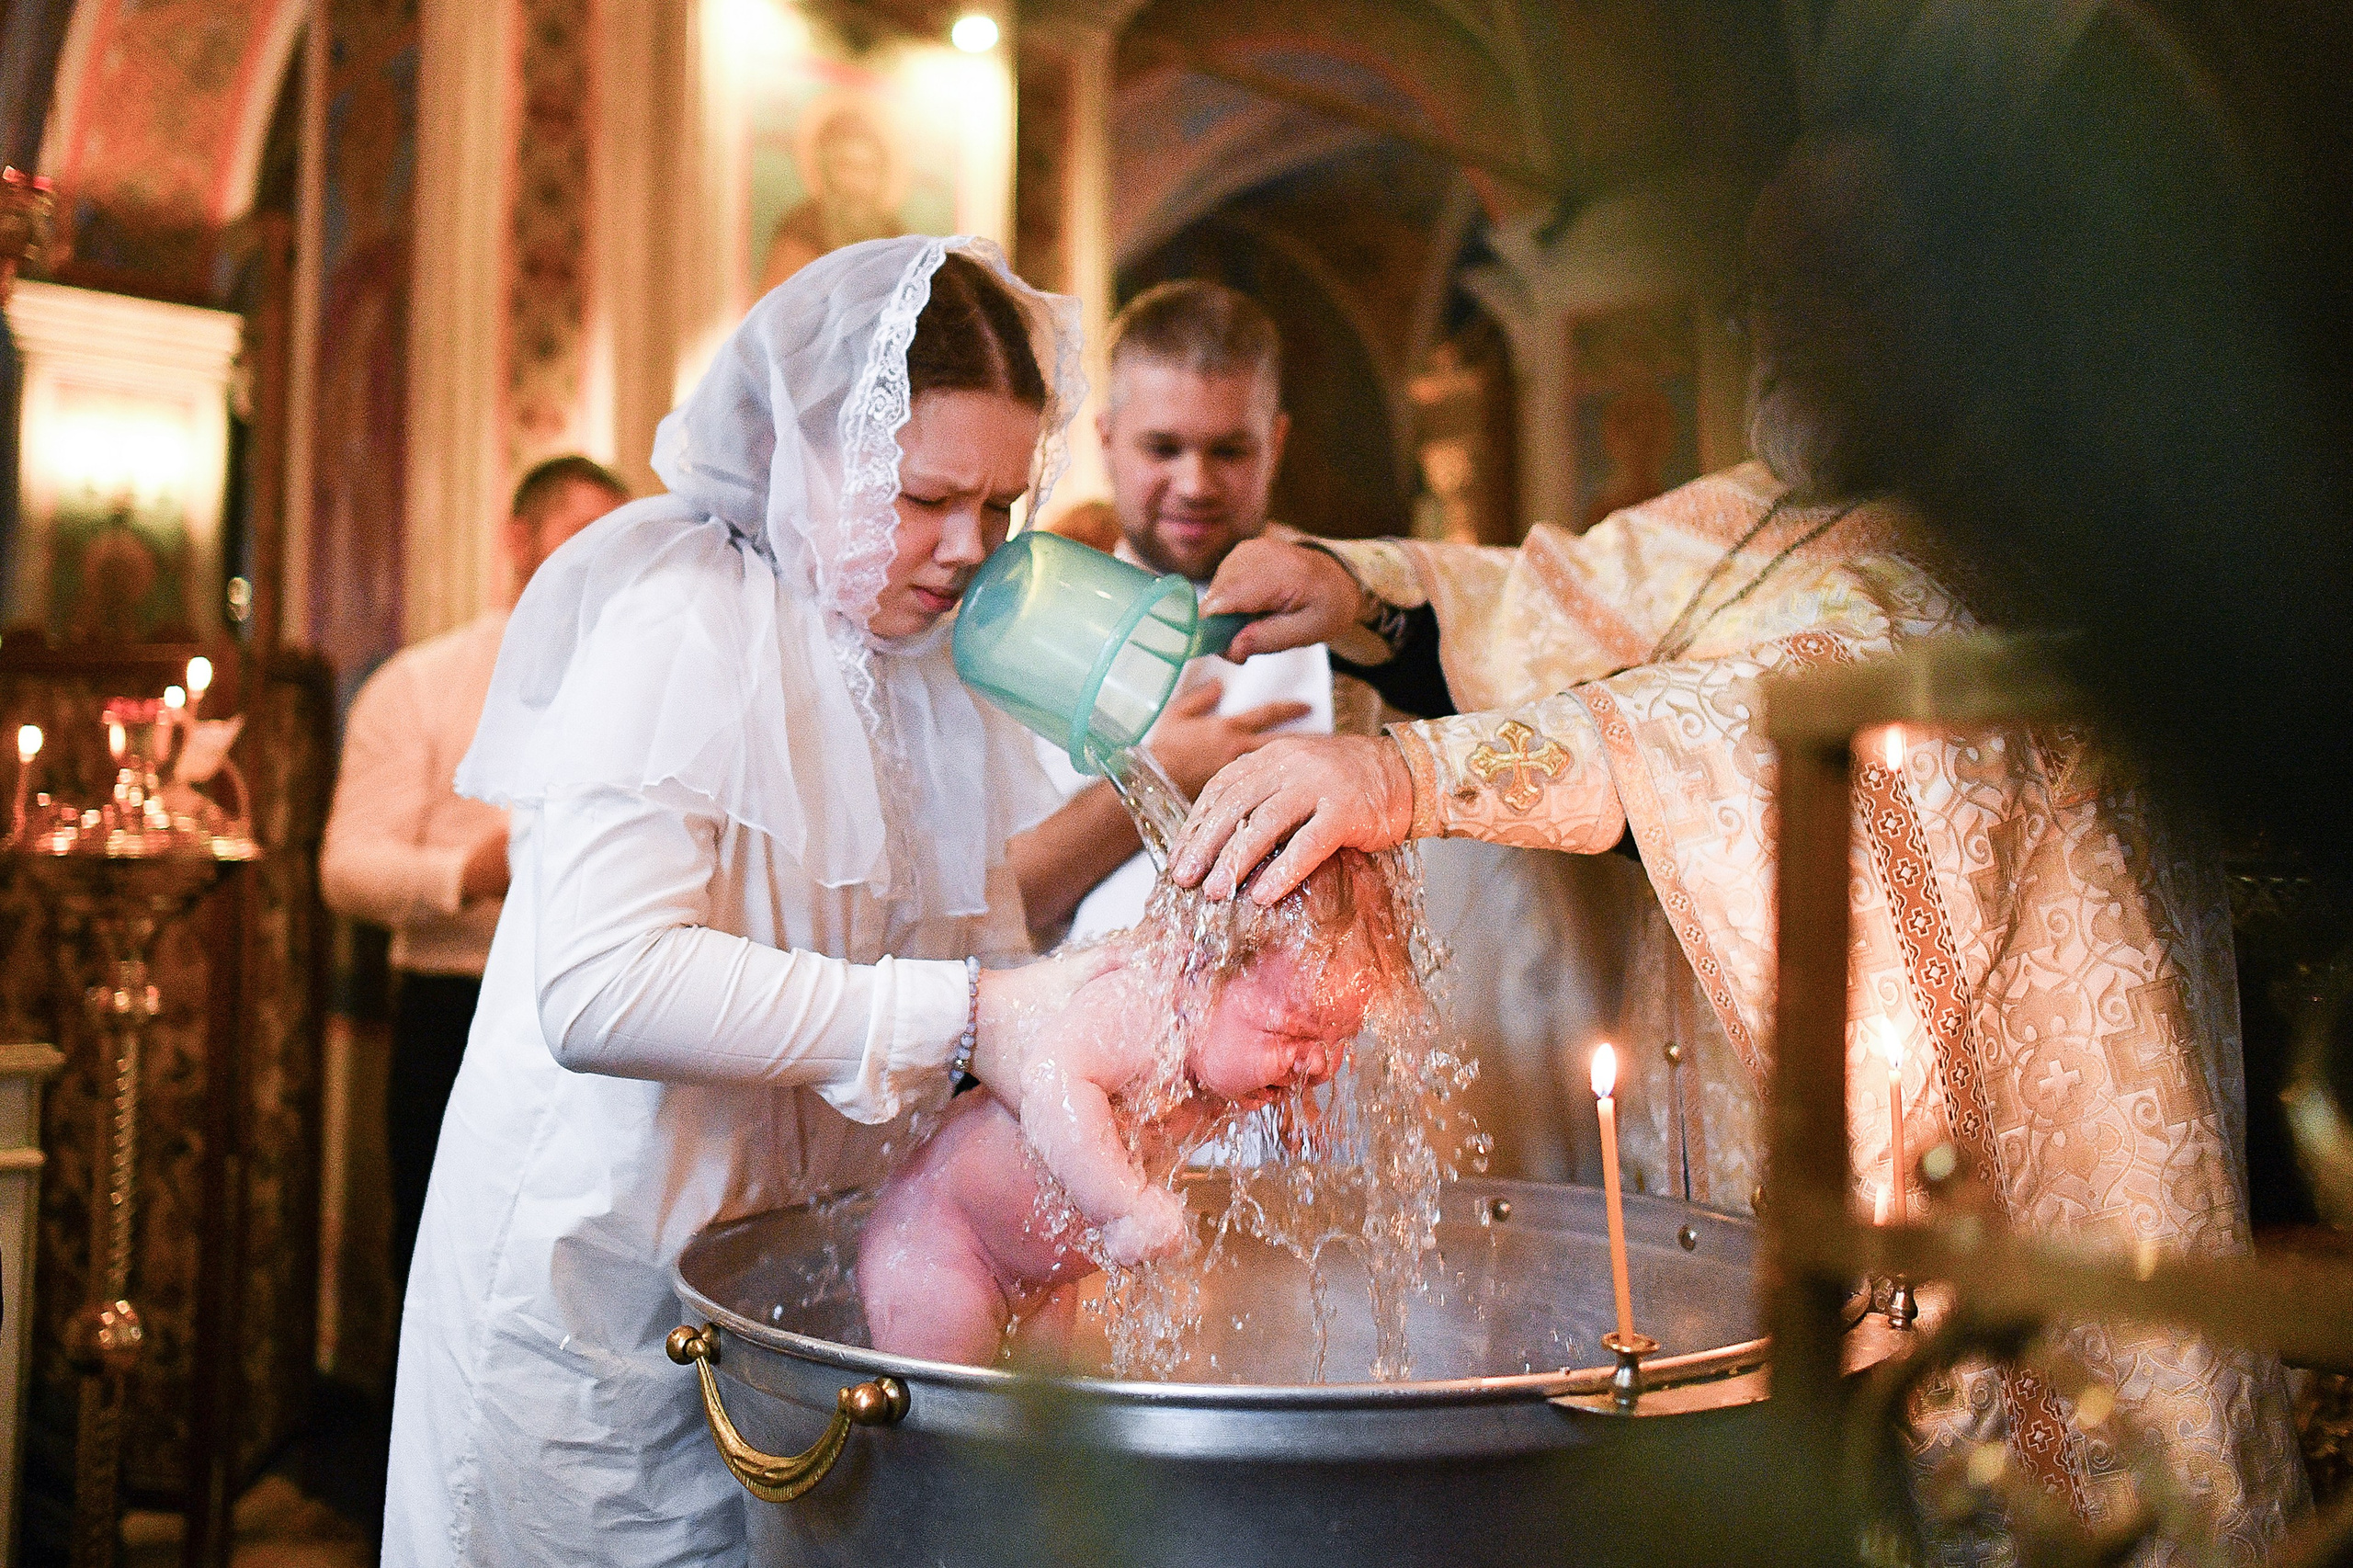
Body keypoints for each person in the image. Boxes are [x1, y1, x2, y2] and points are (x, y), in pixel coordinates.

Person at [1169, 135, 2304, 1560]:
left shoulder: (2027, 520)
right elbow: (1566, 594)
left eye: (1794, 297)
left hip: (2014, 1159)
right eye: (1752, 295)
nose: (1752, 331)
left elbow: (1760, 718)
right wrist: (1359, 586)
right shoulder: (1770, 506)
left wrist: (1408, 772)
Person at [381, 239, 1156, 1564]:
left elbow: (968, 941)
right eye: (924, 496)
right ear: (815, 453)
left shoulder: (925, 661)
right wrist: (971, 1013)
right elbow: (602, 986)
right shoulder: (685, 617)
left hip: (790, 1310)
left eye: (1002, 507)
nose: (968, 550)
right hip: (603, 1298)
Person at [1008, 279, 1624, 1181]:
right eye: (1162, 446)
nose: (1194, 481)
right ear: (1106, 439)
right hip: (1108, 1124)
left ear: (1277, 443)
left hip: (1329, 1120)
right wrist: (1157, 773)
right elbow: (999, 906)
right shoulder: (1034, 627)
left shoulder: (1361, 621)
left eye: (1228, 448)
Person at [858, 847, 1406, 1367]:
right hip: (945, 1249)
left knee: (1031, 1439)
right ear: (1200, 966)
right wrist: (1124, 1208)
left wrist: (1294, 1116)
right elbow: (1051, 1078)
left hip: (1042, 1278)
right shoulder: (1140, 1008)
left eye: (1339, 1039)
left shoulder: (1226, 1045)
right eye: (1292, 1034)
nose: (1318, 1065)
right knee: (950, 1422)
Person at [321, 455, 628, 1296]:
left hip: (602, 1025)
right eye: (578, 538)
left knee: (569, 1278)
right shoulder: (421, 686)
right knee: (440, 1263)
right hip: (450, 1008)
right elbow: (345, 869)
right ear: (519, 540)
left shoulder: (640, 689)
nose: (597, 563)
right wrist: (468, 873)